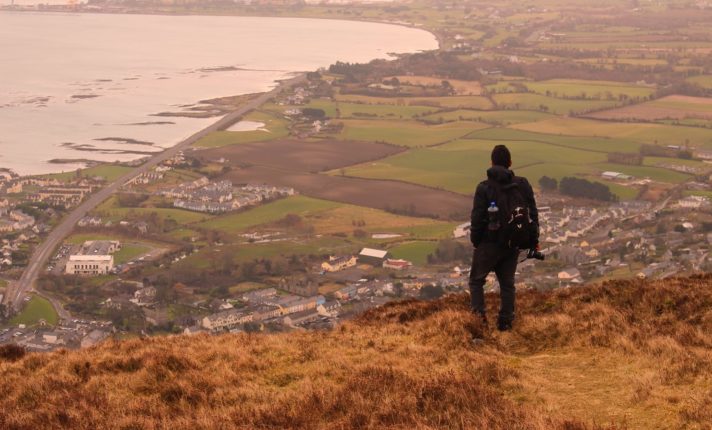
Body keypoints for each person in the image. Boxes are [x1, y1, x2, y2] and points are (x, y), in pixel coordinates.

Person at [469, 145, 539, 331]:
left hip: (489, 243)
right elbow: (533, 214)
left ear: (491, 163)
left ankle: (479, 320)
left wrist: (476, 241)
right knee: (507, 284)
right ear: (510, 163)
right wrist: (532, 239)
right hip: (513, 242)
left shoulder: (484, 188)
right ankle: (506, 321)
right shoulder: (522, 185)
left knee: (476, 281)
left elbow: (476, 218)